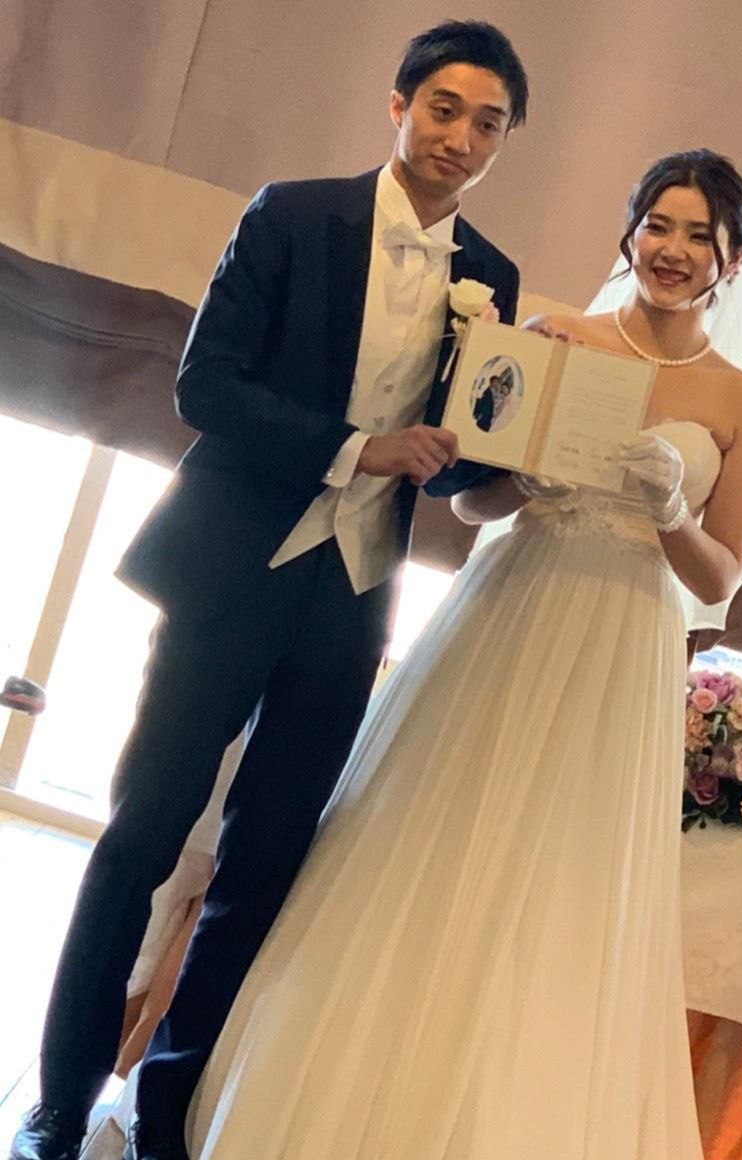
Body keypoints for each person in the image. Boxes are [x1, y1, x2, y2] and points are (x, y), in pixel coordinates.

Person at [185, 148, 742, 1159]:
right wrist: (523, 477)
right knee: (431, 830)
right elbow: (471, 503)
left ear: (731, 261)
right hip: (515, 603)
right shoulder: (557, 338)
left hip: (623, 637)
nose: (671, 249)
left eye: (698, 236)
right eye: (657, 225)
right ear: (630, 233)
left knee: (564, 873)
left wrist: (671, 509)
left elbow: (720, 575)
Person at [10, 20, 528, 1160]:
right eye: (444, 108)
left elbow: (459, 459)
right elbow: (207, 386)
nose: (460, 137)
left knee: (265, 866)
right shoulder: (292, 216)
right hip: (232, 570)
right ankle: (58, 1100)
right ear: (398, 105)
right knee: (143, 836)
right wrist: (355, 449)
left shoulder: (491, 278)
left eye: (487, 123)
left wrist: (519, 456)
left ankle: (165, 1111)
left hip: (352, 597)